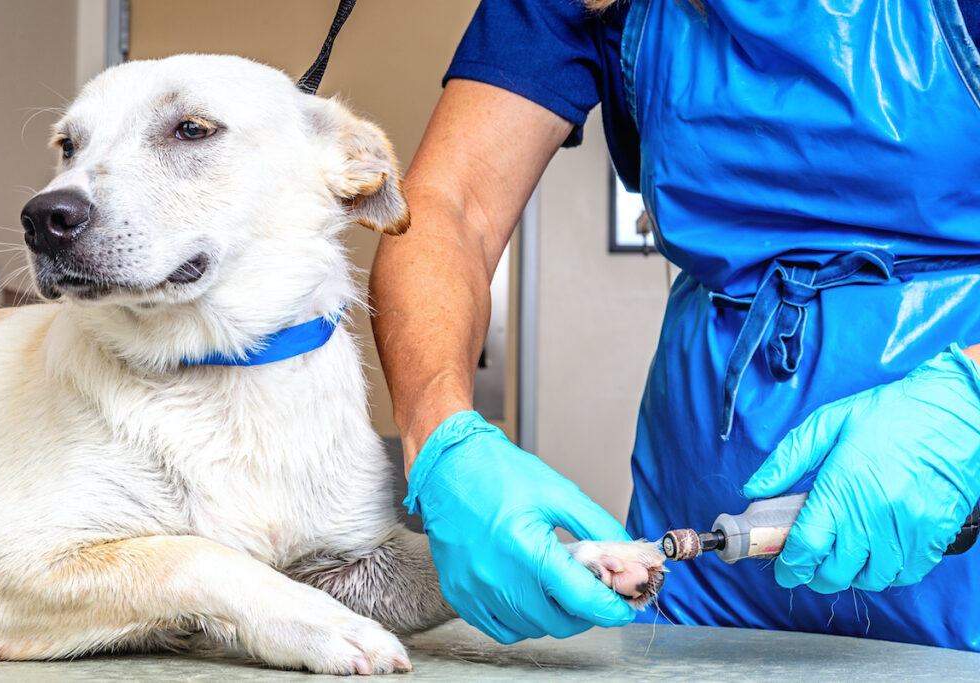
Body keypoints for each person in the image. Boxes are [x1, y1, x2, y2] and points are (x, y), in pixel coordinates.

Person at [369, 0, 980, 651]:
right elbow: (448, 207)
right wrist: (444, 442)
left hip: (952, 542)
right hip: (695, 572)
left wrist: (970, 403)